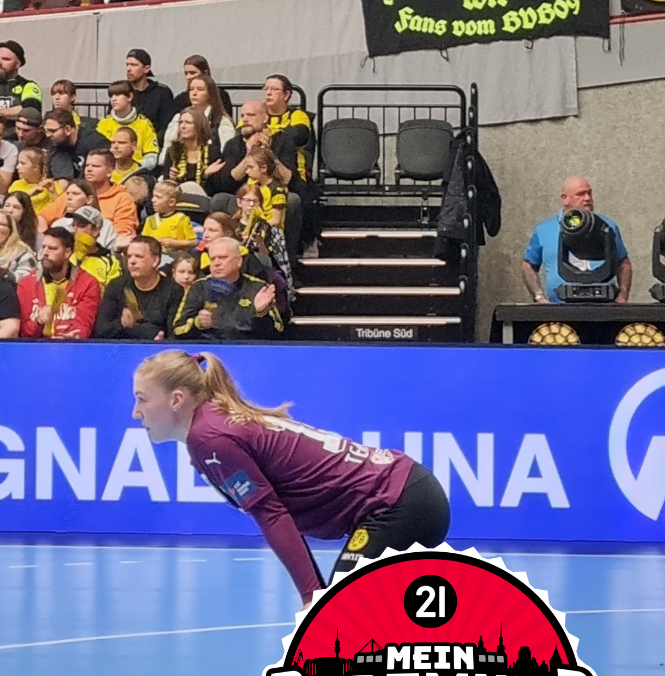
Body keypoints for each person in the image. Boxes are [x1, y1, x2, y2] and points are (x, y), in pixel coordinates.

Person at [130, 349, 450, 605]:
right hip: (410, 493)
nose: (136, 411)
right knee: (353, 622)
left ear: (176, 399)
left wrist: (311, 595)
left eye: (142, 398)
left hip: (397, 506)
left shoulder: (209, 438)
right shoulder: (213, 423)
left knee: (339, 616)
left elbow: (272, 514)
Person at [522, 175, 631, 304]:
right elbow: (528, 265)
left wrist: (623, 296)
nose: (588, 198)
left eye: (589, 193)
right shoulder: (545, 229)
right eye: (580, 194)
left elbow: (623, 262)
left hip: (604, 309)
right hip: (559, 311)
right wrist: (539, 296)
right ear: (565, 198)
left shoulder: (607, 225)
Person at [172, 237, 282, 339]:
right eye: (213, 259)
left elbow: (278, 331)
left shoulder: (258, 288)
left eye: (223, 258)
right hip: (210, 350)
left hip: (246, 348)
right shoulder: (198, 287)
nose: (216, 263)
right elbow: (177, 329)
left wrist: (260, 313)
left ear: (238, 261)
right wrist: (198, 323)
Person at [16, 226, 100, 339]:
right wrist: (38, 321)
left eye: (52, 248)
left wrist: (67, 338)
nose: (45, 252)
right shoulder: (26, 284)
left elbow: (83, 328)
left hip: (71, 349)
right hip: (36, 349)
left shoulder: (88, 284)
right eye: (43, 247)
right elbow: (25, 333)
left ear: (67, 252)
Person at [94, 236, 179, 339]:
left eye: (139, 256)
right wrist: (121, 324)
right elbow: (101, 330)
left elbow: (173, 333)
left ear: (155, 261)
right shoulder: (116, 286)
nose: (132, 261)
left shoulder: (173, 290)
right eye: (129, 256)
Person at [96, 80, 160, 171]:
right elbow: (96, 154)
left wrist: (138, 169)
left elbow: (151, 155)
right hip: (108, 172)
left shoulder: (144, 123)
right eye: (111, 96)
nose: (113, 99)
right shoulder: (104, 123)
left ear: (130, 97)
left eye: (118, 95)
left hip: (137, 174)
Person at [141, 180, 197, 256]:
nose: (153, 200)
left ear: (171, 202)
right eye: (153, 196)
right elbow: (144, 240)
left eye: (158, 197)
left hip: (176, 257)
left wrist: (175, 243)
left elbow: (193, 242)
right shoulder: (150, 219)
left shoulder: (182, 219)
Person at [0, 208, 34, 281]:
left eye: (0, 224)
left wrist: (8, 275)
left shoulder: (23, 252)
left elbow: (28, 280)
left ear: (10, 230)